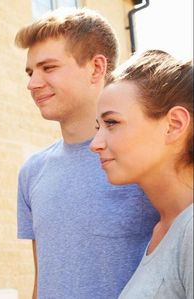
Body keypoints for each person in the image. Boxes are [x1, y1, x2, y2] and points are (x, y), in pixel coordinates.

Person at [14, 8, 159, 299]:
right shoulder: (32, 171)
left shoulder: (147, 158)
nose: (32, 83)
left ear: (96, 68)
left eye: (49, 68)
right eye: (30, 72)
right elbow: (43, 281)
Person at [90, 50, 193, 298]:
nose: (95, 143)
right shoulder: (162, 230)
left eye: (112, 123)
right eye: (98, 127)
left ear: (174, 125)